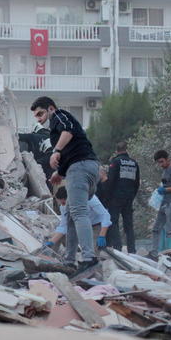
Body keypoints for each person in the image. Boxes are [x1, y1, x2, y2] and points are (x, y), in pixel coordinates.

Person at [31, 96, 100, 273]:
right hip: (84, 167)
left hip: (81, 168)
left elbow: (68, 131)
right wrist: (59, 173)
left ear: (50, 109)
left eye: (40, 114)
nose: (39, 119)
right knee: (69, 216)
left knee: (78, 212)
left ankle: (89, 258)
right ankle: (69, 261)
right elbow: (72, 151)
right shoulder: (56, 131)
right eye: (36, 116)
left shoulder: (59, 116)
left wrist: (56, 151)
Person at [45, 187, 111, 265]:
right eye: (61, 203)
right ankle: (48, 260)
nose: (63, 205)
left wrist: (102, 235)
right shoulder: (63, 207)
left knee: (91, 254)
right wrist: (51, 242)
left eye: (64, 203)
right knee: (56, 238)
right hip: (77, 225)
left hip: (95, 226)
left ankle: (92, 269)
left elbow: (105, 215)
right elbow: (63, 226)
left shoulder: (89, 198)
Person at [101, 141, 139, 253]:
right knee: (129, 225)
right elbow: (137, 183)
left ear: (116, 151)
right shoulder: (134, 163)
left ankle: (117, 249)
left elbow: (111, 181)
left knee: (114, 222)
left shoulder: (116, 162)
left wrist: (107, 198)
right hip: (129, 197)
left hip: (116, 197)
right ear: (126, 150)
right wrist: (132, 196)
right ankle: (132, 250)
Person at [149, 150, 171, 256]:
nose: (160, 164)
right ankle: (154, 253)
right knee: (156, 229)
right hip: (164, 204)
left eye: (161, 161)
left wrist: (165, 190)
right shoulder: (165, 171)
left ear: (167, 159)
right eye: (158, 162)